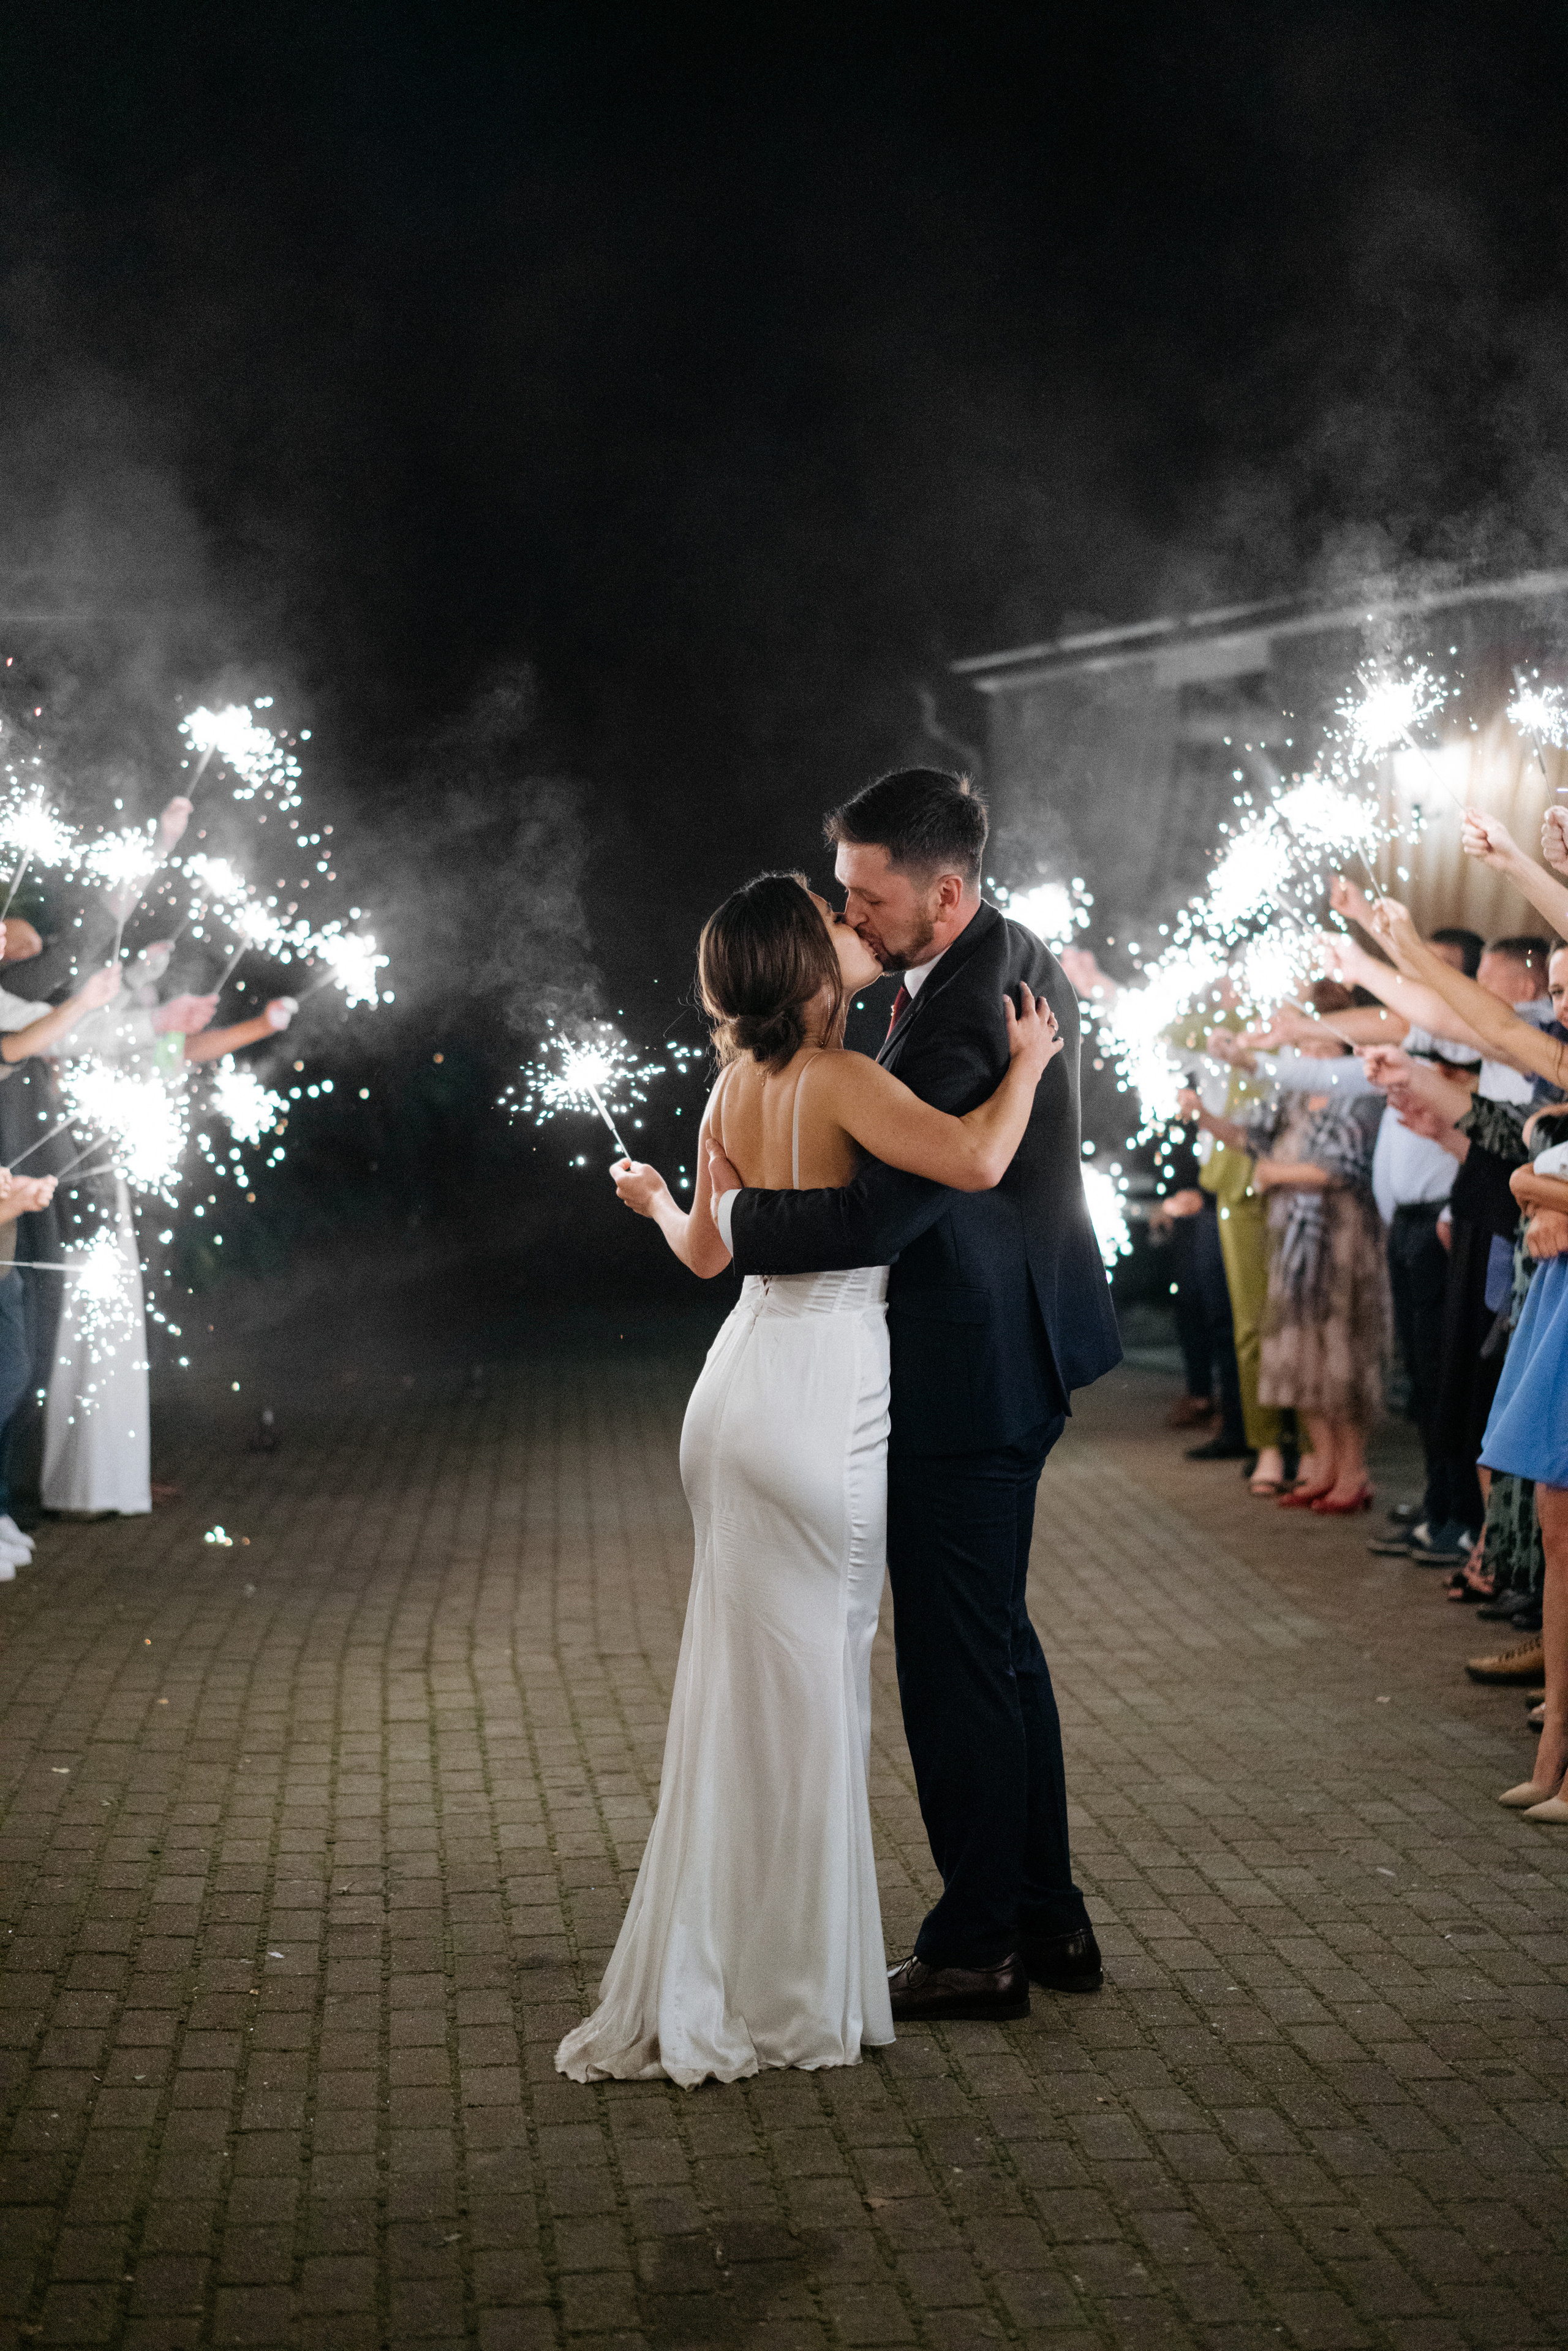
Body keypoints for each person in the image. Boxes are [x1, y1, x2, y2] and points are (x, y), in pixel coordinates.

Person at [556, 866, 1065, 2085]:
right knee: (817, 1690)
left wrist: (651, 1199)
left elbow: (699, 1253)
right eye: (831, 924)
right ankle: (796, 1988)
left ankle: (726, 1951)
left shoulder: (729, 1088)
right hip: (822, 1395)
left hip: (731, 1392)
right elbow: (975, 1162)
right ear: (801, 964)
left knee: (735, 1690)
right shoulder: (842, 1078)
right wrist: (1030, 1064)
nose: (853, 931)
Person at [707, 772, 1120, 2027]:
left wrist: (721, 1214)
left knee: (954, 1663)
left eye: (865, 895)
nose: (849, 913)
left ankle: (977, 1943)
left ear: (942, 894)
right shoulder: (986, 961)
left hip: (969, 1367)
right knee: (996, 1642)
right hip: (1010, 1346)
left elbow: (874, 1218)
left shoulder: (955, 1023)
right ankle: (1042, 1911)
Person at [1182, 1005, 1388, 1513]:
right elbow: (1245, 1137)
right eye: (1307, 1047)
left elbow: (1347, 1170)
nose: (1311, 1054)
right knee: (1300, 1352)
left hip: (1342, 1239)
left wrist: (1277, 1175)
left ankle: (1353, 1471)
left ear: (1343, 1049)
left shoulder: (1361, 1095)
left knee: (1341, 1352)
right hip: (1293, 1239)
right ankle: (1321, 1464)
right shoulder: (1290, 1095)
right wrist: (1201, 1115)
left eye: (1322, 1046)